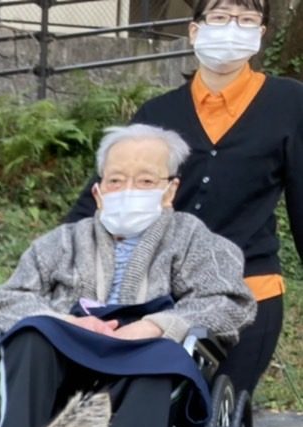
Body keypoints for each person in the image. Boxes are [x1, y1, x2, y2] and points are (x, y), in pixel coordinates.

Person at [0, 124, 255, 427]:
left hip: (141, 360)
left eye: (146, 181)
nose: (130, 190)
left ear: (170, 190)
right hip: (65, 362)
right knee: (30, 332)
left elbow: (229, 302)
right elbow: (1, 301)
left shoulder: (195, 240)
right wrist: (70, 323)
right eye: (116, 180)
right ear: (99, 191)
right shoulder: (61, 243)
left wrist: (154, 325)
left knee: (159, 358)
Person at [68, 0, 303, 398]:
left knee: (208, 409)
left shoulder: (290, 104)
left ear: (260, 34)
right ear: (195, 30)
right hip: (163, 293)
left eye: (246, 20)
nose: (232, 28)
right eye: (220, 17)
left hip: (250, 290)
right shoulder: (158, 113)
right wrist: (57, 261)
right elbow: (103, 197)